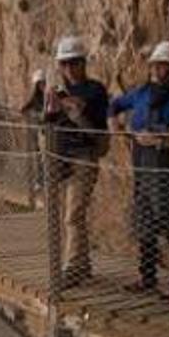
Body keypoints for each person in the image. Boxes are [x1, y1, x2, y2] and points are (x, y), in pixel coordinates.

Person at [109, 41, 169, 301]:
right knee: (145, 221)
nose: (158, 70)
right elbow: (114, 104)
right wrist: (114, 125)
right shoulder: (142, 93)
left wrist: (162, 138)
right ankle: (147, 277)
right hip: (143, 165)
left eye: (164, 66)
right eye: (156, 65)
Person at [44, 35, 109, 289]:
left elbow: (96, 129)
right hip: (62, 157)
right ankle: (82, 265)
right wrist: (51, 110)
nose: (69, 69)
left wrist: (76, 111)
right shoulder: (61, 92)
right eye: (65, 64)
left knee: (73, 214)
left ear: (83, 63)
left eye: (74, 63)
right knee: (71, 215)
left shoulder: (95, 90)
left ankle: (72, 268)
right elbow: (48, 125)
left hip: (84, 155)